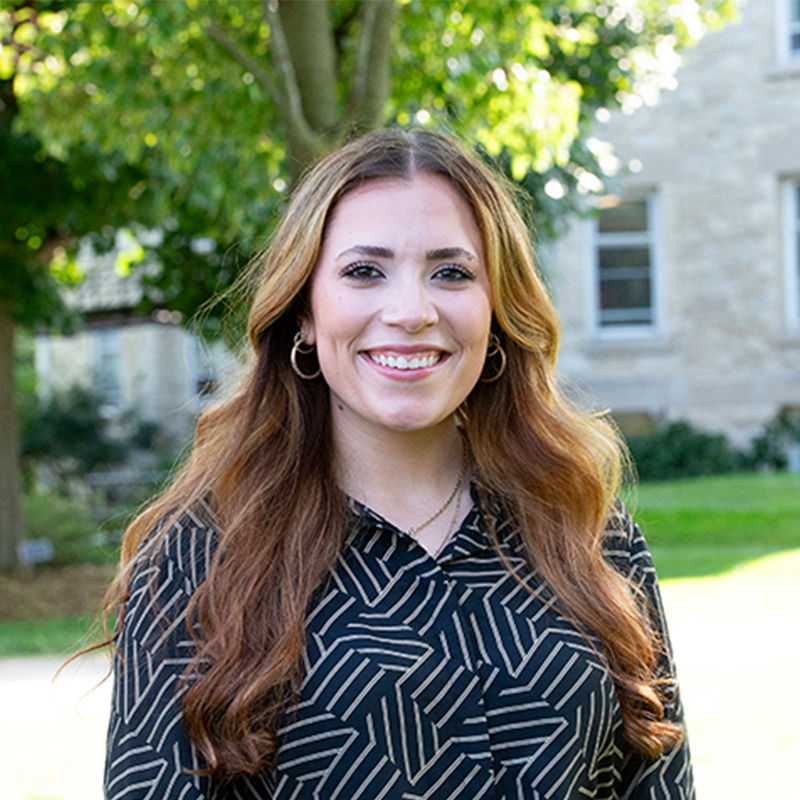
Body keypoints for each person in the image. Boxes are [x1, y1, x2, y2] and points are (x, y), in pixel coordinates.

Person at [103, 129, 693, 800]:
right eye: (364, 271)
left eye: (451, 272)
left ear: (497, 307)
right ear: (303, 310)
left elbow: (661, 775)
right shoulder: (195, 559)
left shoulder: (583, 527)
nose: (411, 312)